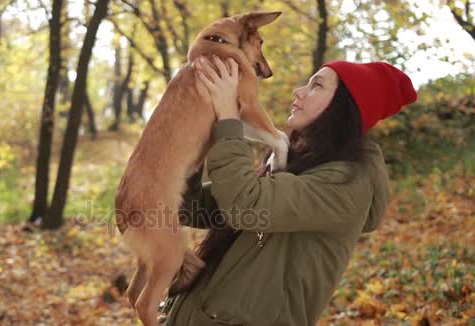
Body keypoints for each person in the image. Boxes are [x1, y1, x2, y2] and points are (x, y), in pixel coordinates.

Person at [158, 56, 418, 325]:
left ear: (344, 108)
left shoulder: (346, 183)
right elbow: (190, 208)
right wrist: (196, 131)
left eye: (316, 86)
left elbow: (245, 206)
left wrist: (228, 119)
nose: (299, 91)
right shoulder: (289, 163)